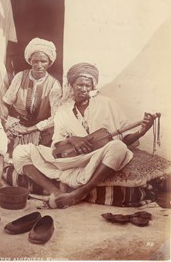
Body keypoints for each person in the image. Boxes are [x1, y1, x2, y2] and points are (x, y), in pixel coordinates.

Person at [12, 62, 156, 208]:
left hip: (99, 158)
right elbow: (57, 144)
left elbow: (125, 139)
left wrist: (141, 132)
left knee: (119, 147)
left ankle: (81, 192)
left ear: (93, 86)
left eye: (88, 86)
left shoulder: (107, 104)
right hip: (73, 159)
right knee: (21, 151)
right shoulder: (63, 110)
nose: (83, 89)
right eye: (79, 85)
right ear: (71, 85)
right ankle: (55, 192)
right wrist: (73, 139)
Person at [1, 38, 62, 155]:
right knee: (3, 143)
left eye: (43, 61)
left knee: (36, 153)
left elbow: (55, 118)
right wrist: (8, 124)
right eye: (35, 61)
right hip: (15, 123)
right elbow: (6, 102)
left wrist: (28, 130)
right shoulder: (20, 77)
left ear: (49, 62)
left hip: (38, 127)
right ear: (30, 61)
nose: (39, 65)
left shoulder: (54, 85)